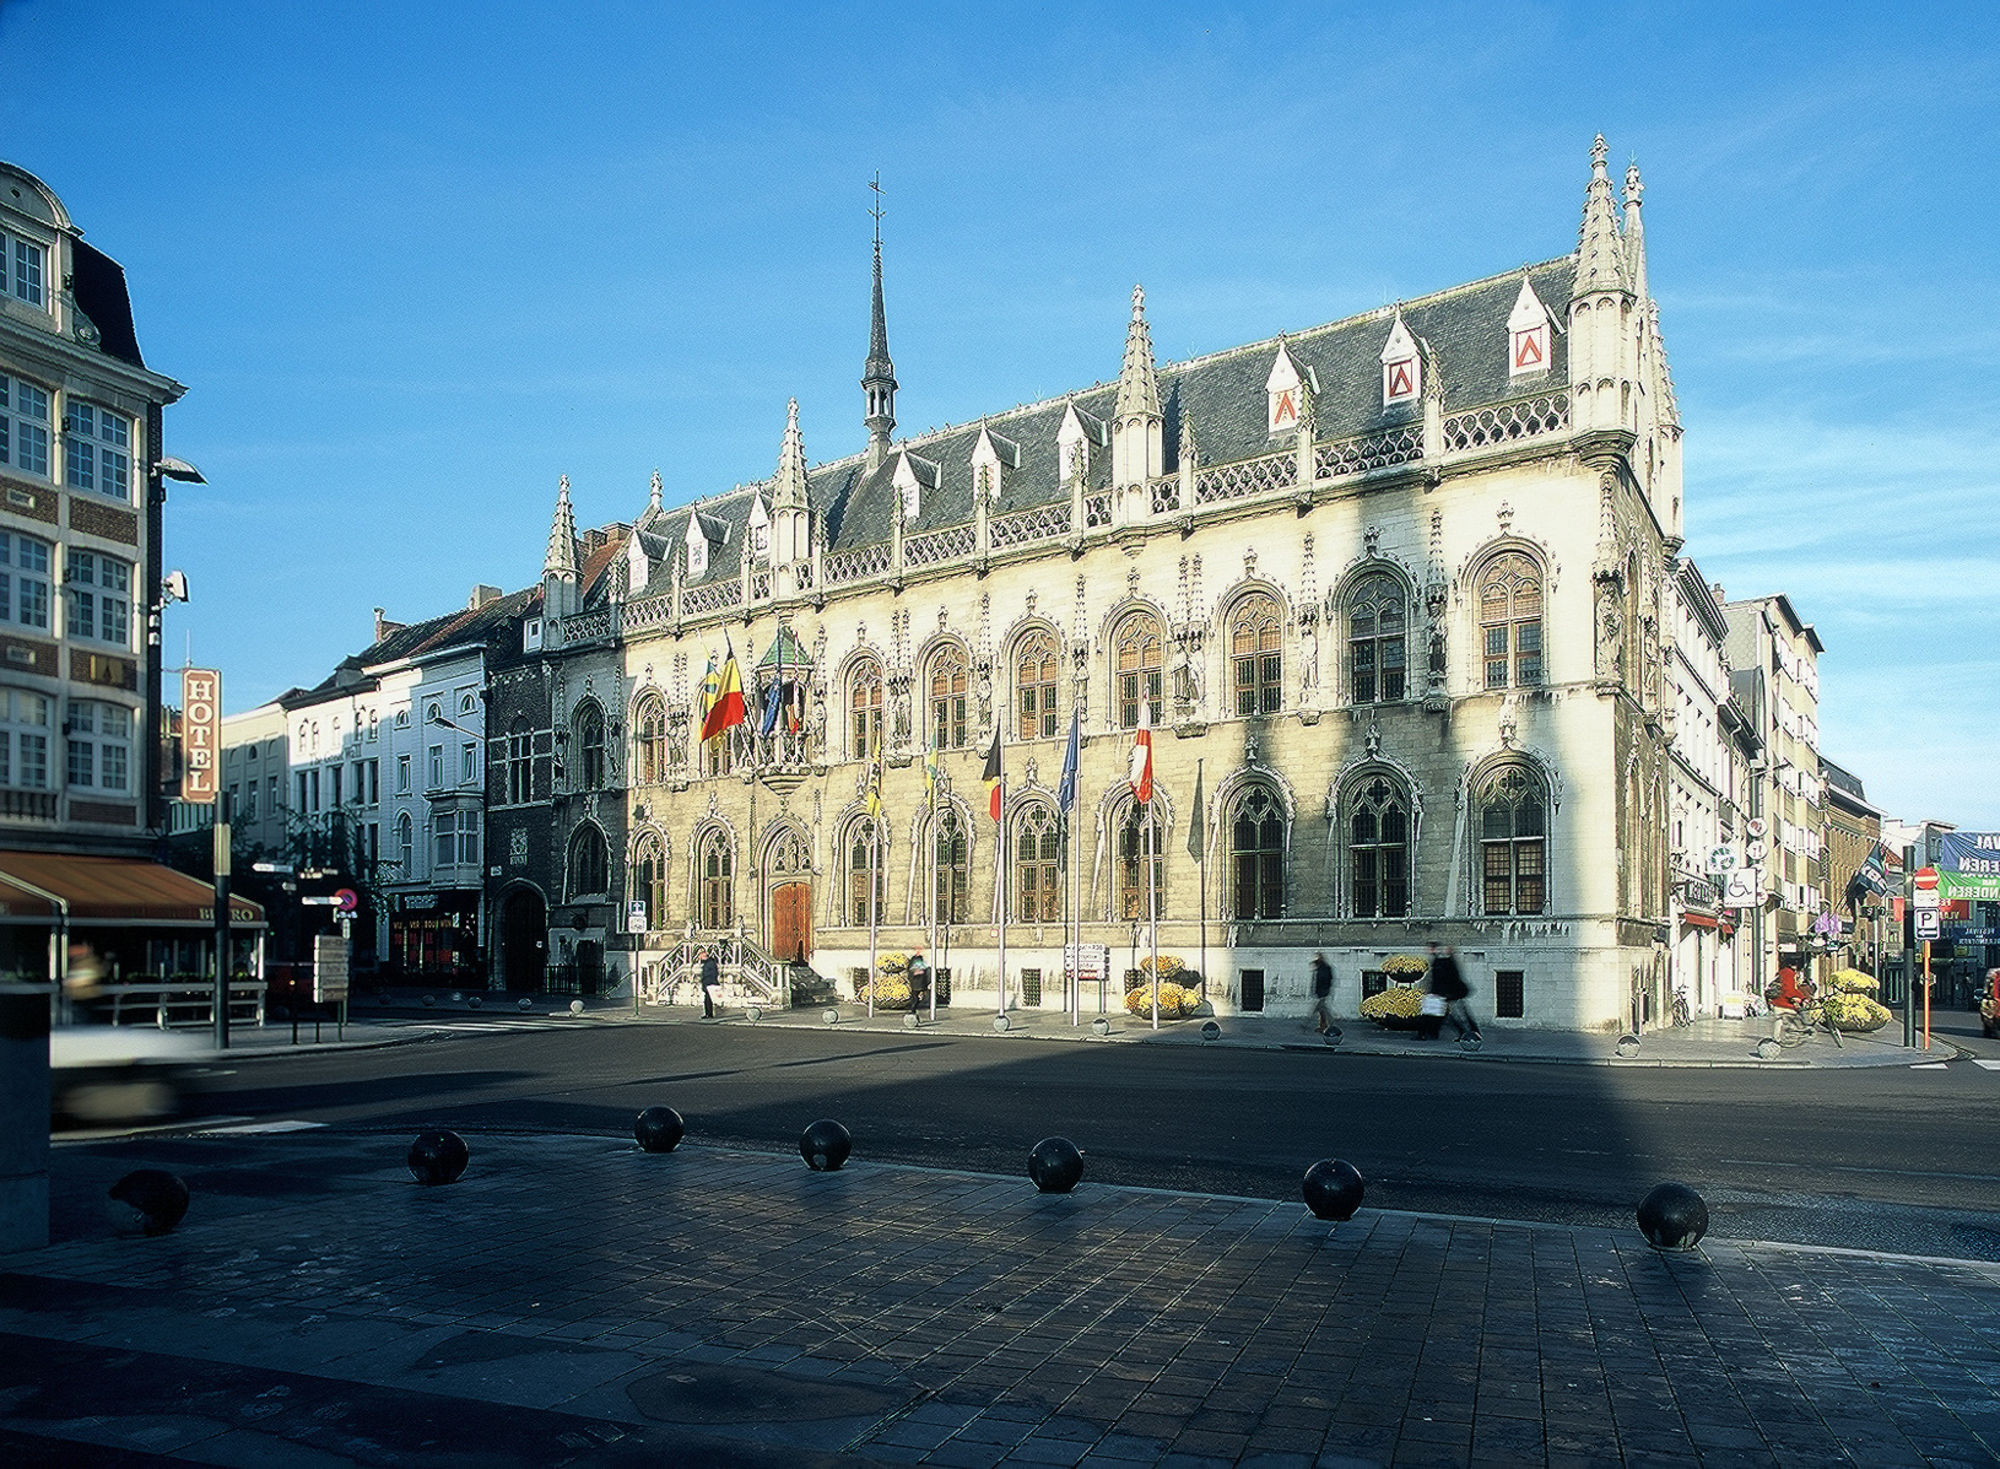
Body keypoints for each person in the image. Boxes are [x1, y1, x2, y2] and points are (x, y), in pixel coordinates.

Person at [1427, 942, 1480, 1042]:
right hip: (1451, 993)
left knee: (1455, 1015)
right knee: (1452, 1015)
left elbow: (1448, 978)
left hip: (1452, 993)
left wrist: (1440, 992)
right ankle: (1468, 1032)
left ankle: (1470, 1032)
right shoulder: (1443, 960)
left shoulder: (1445, 962)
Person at [1307, 952, 1334, 1034]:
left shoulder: (1323, 968)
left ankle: (1331, 1023)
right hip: (1321, 992)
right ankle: (1323, 1026)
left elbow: (1324, 981)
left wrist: (1323, 991)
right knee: (1322, 1010)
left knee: (1321, 1009)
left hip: (1323, 992)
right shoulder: (1322, 967)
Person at [907, 946, 930, 1013]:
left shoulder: (920, 961)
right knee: (916, 997)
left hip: (919, 982)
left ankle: (913, 1010)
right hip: (917, 983)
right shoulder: (915, 962)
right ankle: (913, 1010)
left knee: (916, 997)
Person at [698, 947, 720, 1019]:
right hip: (707, 983)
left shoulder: (710, 963)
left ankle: (709, 1014)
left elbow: (713, 974)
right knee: (707, 999)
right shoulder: (707, 963)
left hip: (710, 983)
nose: (699, 957)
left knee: (708, 999)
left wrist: (708, 982)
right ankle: (708, 1013)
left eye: (700, 956)